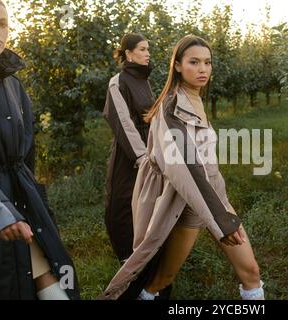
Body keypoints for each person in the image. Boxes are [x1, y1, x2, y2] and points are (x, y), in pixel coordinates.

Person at [100, 35, 265, 300]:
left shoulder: (196, 99)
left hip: (215, 197)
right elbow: (187, 168)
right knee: (162, 279)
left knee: (251, 272)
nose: (203, 69)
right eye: (194, 62)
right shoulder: (171, 108)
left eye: (208, 62)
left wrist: (221, 208)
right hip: (188, 204)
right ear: (177, 66)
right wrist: (222, 221)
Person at [0, 0, 79, 300]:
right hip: (0, 211)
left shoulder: (13, 84)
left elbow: (26, 154)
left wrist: (36, 203)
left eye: (2, 23)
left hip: (21, 204)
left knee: (48, 278)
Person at [103, 33, 154, 263]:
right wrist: (142, 157)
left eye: (148, 49)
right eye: (142, 49)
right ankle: (125, 256)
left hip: (150, 149)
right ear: (128, 53)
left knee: (147, 199)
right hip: (129, 152)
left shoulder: (144, 80)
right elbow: (123, 122)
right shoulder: (118, 81)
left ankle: (146, 250)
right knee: (121, 202)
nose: (147, 53)